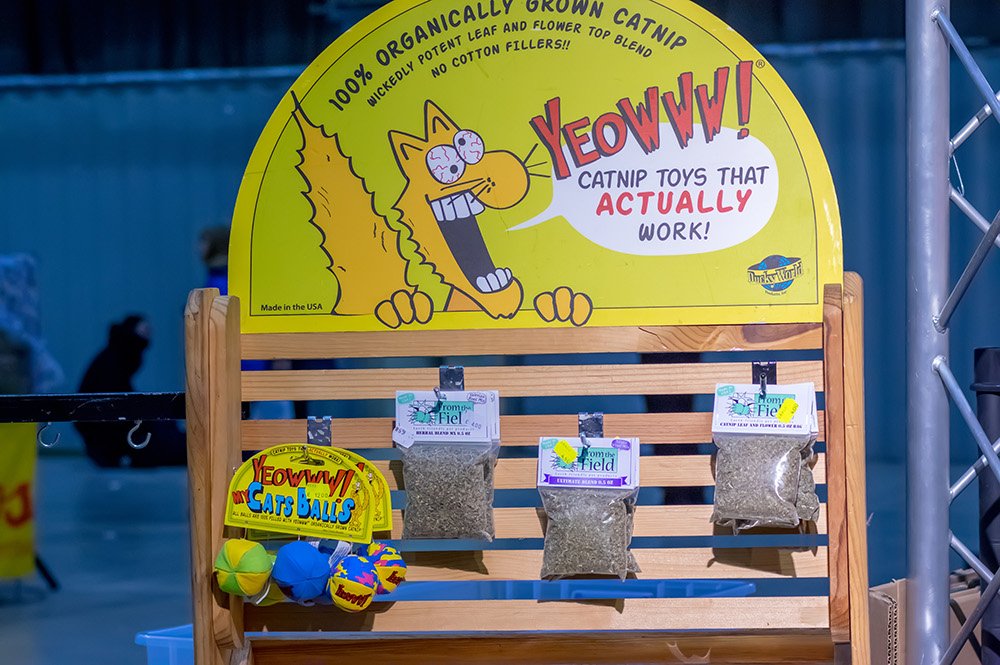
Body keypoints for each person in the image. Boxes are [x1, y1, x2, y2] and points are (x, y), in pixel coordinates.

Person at [74, 315, 186, 468]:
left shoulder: (118, 353)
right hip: (104, 425)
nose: (148, 334)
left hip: (103, 424)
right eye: (144, 329)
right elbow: (114, 394)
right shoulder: (119, 356)